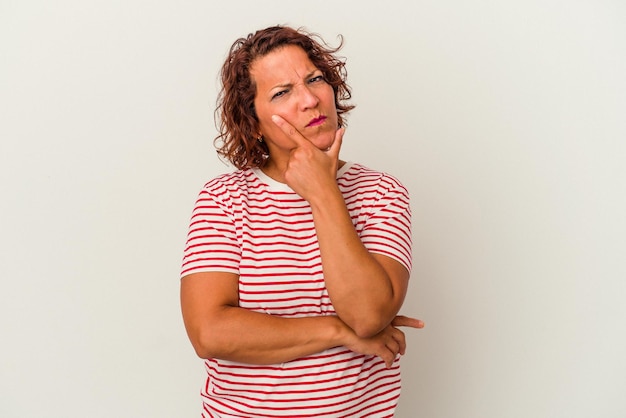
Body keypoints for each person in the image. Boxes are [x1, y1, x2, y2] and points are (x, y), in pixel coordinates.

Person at [180, 24, 424, 418]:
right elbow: (209, 333)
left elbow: (367, 315)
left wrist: (324, 192)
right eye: (282, 92)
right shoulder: (223, 199)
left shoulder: (380, 193)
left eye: (314, 79)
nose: (310, 99)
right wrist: (337, 330)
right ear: (253, 120)